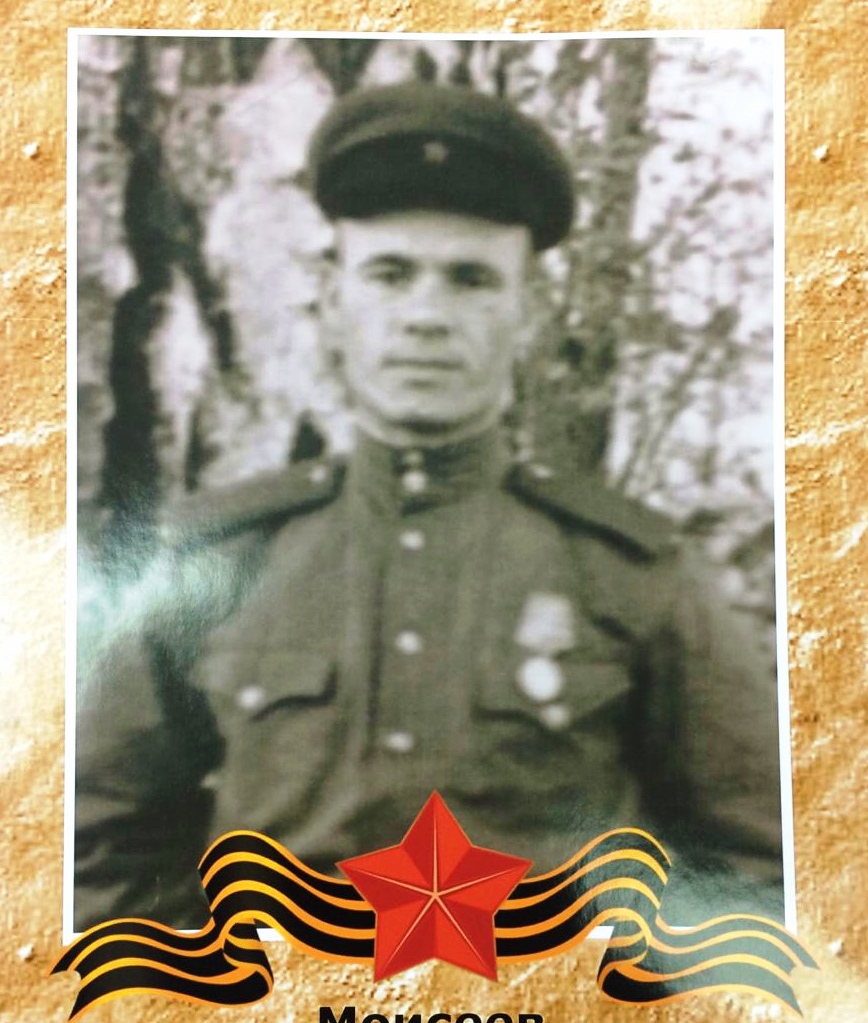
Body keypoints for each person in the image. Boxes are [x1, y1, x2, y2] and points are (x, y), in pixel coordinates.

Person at [74, 82, 784, 932]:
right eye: (390, 274)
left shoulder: (628, 571)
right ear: (333, 299)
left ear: (526, 312)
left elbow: (755, 860)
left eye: (471, 280)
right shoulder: (221, 558)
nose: (426, 317)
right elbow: (102, 841)